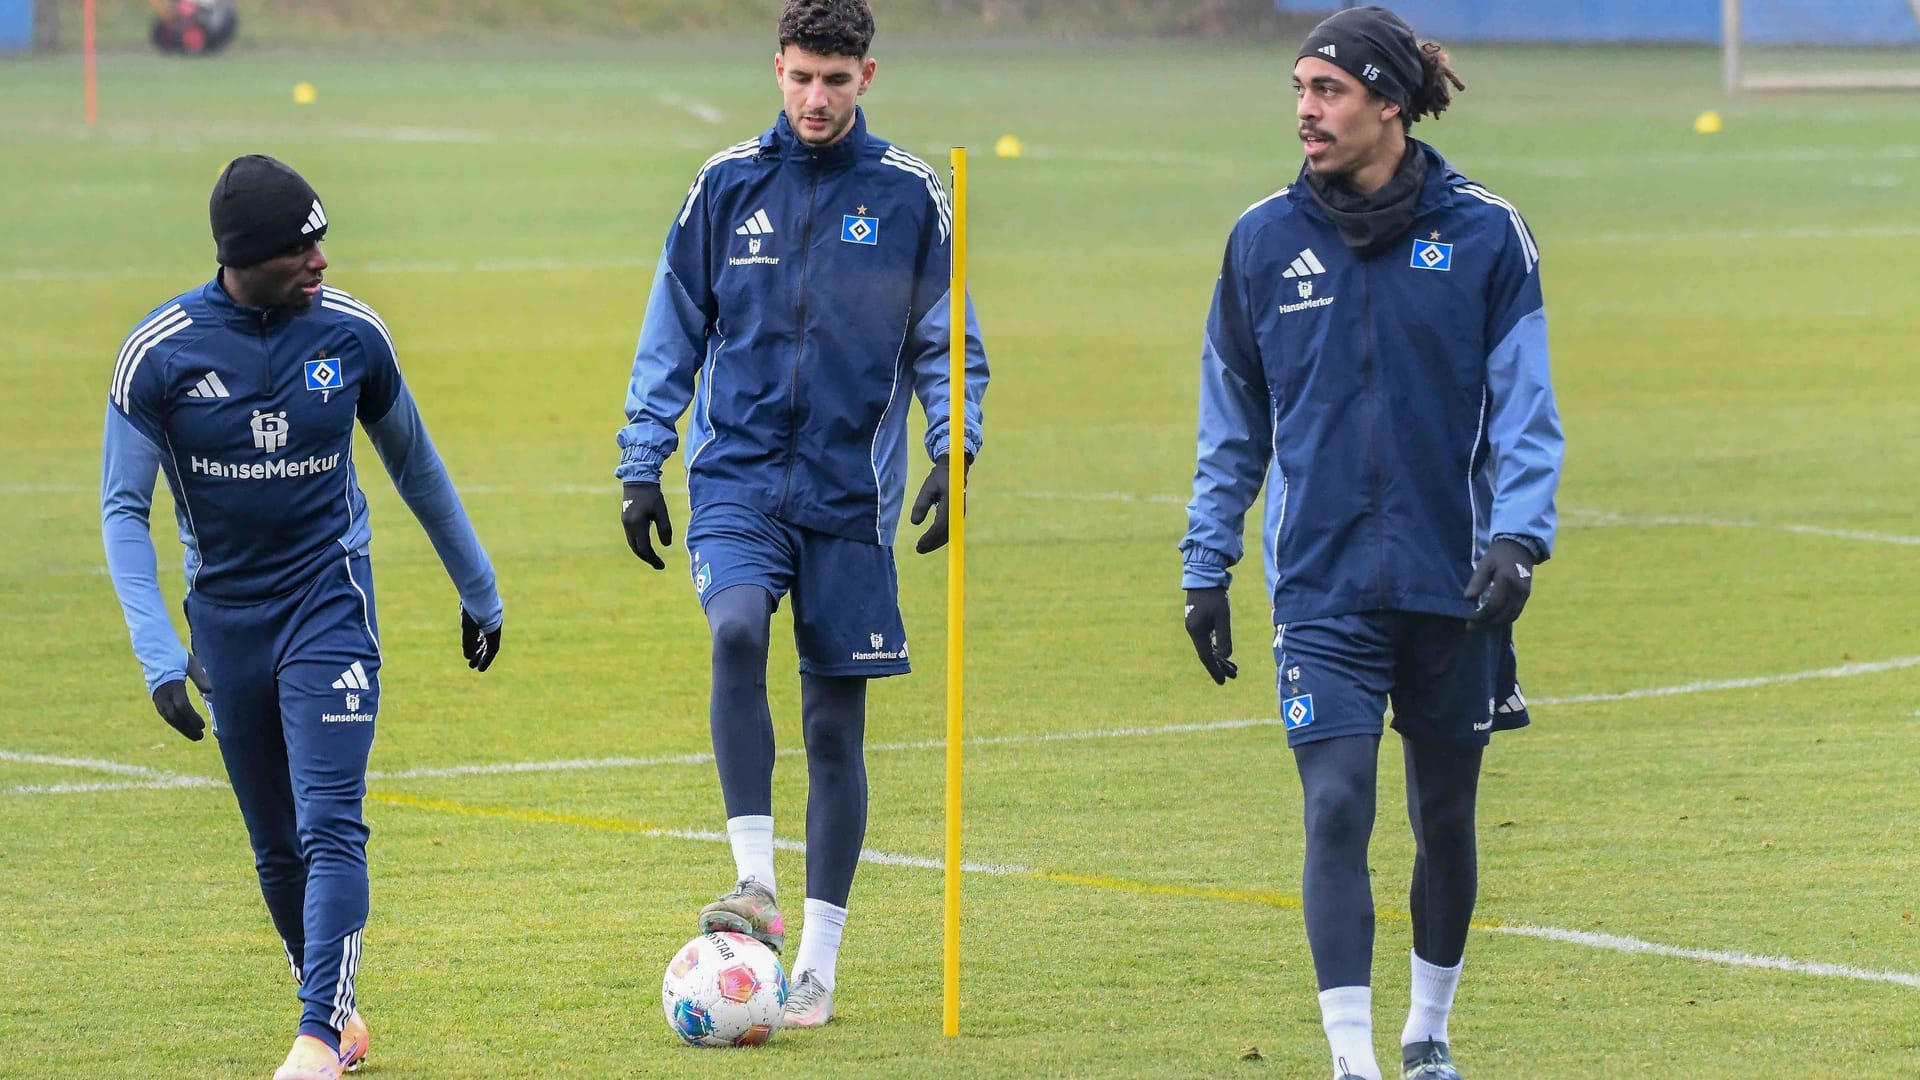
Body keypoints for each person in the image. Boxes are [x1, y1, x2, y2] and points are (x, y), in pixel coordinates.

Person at [1179, 8, 1563, 1079]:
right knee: (1337, 802)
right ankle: (1353, 1061)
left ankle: (1427, 1031)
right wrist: (1205, 564)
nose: (1305, 109)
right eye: (1298, 89)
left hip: (1457, 583)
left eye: (1328, 90)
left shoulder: (1488, 233)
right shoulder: (1261, 242)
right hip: (1322, 585)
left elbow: (1527, 407)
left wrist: (1519, 540)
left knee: (1444, 817)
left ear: (1388, 104)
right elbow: (1232, 422)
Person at [614, 0, 987, 1031]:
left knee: (834, 726)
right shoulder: (727, 185)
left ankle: (817, 961)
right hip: (735, 478)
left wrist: (954, 447)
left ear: (867, 77)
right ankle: (754, 888)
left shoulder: (913, 195)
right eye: (799, 77)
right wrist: (644, 460)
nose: (814, 99)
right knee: (734, 631)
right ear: (775, 71)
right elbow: (673, 325)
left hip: (848, 501)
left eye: (834, 79)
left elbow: (945, 341)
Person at [101, 154, 504, 1080]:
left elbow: (417, 467)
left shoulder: (354, 337)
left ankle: (317, 1040)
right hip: (226, 622)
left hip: (331, 603)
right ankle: (337, 1011)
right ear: (248, 255)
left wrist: (478, 590)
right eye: (301, 244)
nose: (322, 259)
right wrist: (161, 651)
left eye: (322, 238)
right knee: (275, 846)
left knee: (331, 823)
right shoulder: (159, 352)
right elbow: (124, 507)